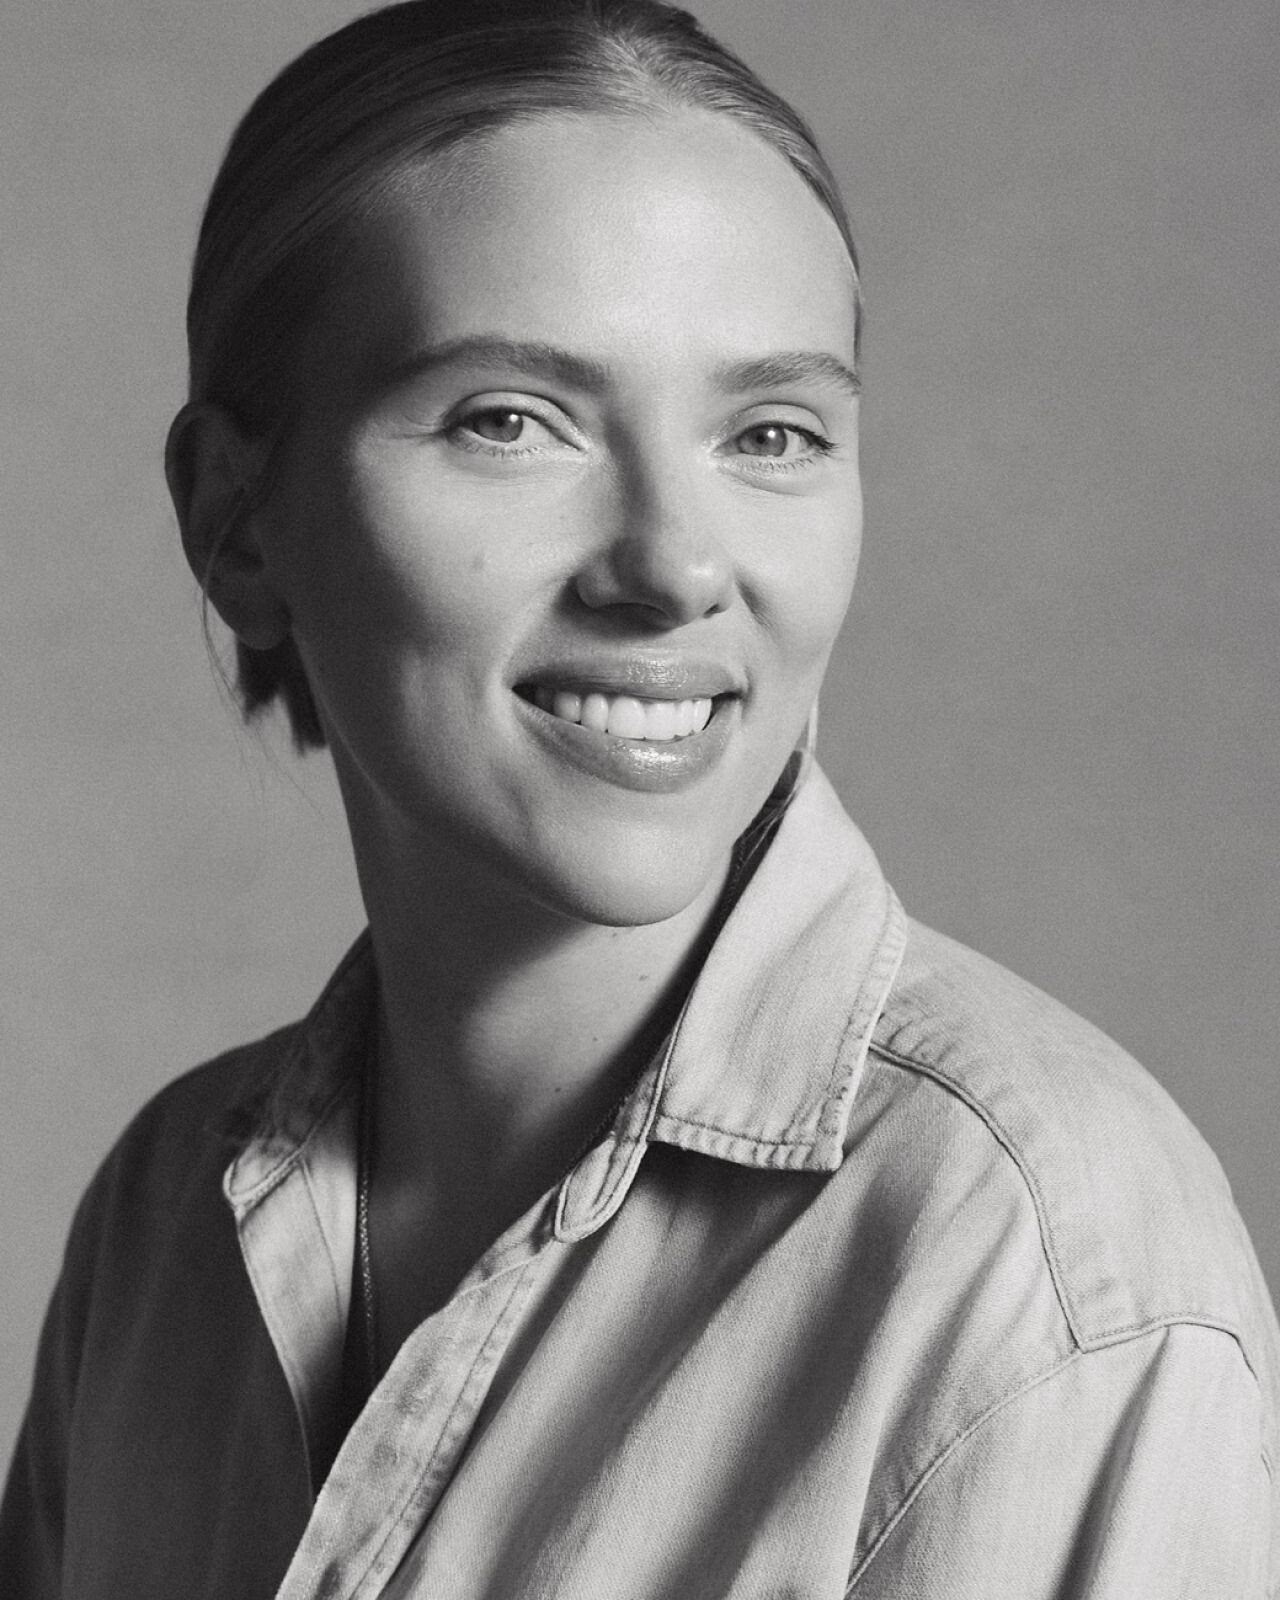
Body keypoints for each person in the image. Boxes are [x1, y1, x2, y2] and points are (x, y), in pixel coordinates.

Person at [3, 0, 1277, 1594]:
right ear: (237, 523)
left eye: (772, 433)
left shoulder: (1034, 1271)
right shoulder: (159, 1226)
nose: (673, 568)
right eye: (511, 421)